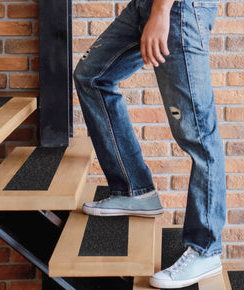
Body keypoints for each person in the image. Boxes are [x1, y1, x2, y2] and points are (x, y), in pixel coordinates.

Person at [73, 0, 226, 288]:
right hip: (146, 5)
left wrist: (161, 11)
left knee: (199, 135)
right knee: (91, 76)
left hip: (180, 9)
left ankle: (206, 248)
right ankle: (135, 191)